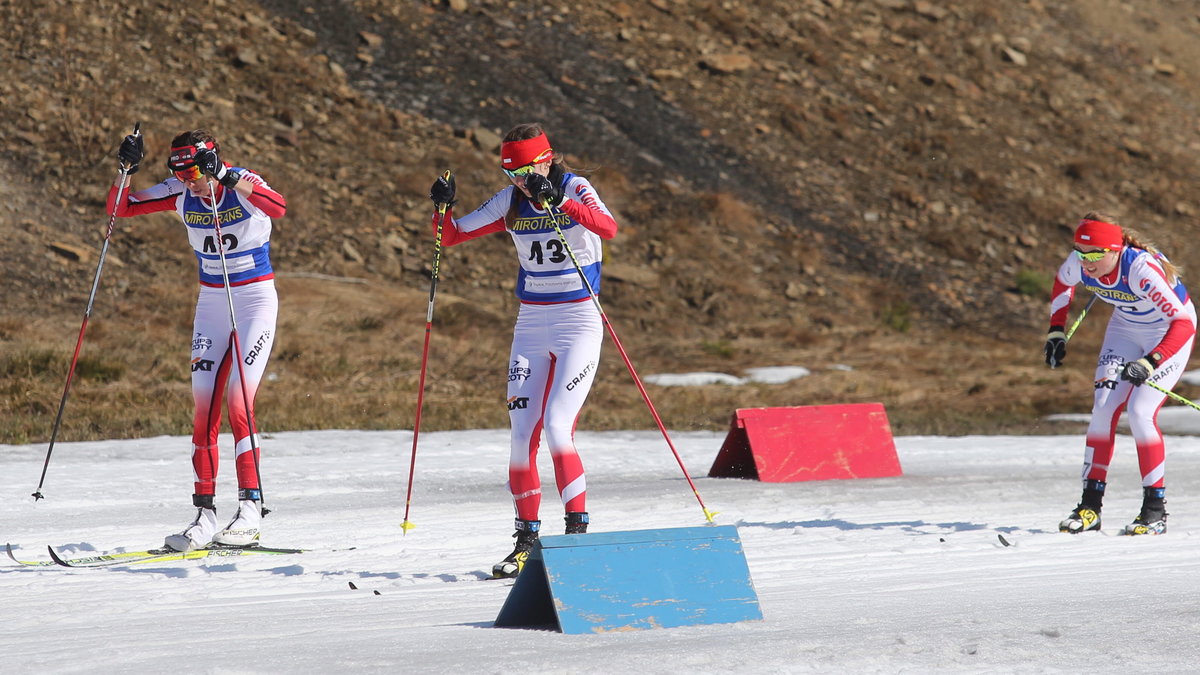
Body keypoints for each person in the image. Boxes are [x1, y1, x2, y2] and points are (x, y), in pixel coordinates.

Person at [428, 123, 618, 578]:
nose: (518, 181)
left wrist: (559, 199)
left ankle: (576, 537)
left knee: (557, 427)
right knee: (519, 438)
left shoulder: (575, 185)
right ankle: (526, 541)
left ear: (548, 159)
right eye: (510, 173)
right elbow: (450, 236)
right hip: (531, 325)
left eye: (526, 171)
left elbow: (607, 228)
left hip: (577, 321)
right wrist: (441, 207)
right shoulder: (511, 199)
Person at [111, 129, 287, 551]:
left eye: (192, 171)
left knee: (238, 403)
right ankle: (204, 516)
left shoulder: (240, 181)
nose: (187, 180)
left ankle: (250, 510)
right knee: (203, 408)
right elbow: (122, 209)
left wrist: (225, 176)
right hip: (211, 302)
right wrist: (124, 171)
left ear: (209, 162)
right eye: (179, 172)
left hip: (253, 301)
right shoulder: (180, 191)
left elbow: (278, 207)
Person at [1045, 213, 1195, 535]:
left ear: (1115, 250)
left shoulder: (1141, 270)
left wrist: (1152, 362)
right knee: (1102, 408)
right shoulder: (1081, 261)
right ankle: (1090, 507)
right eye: (1082, 254)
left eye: (1096, 255)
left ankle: (1154, 510)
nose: (1087, 263)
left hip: (1166, 334)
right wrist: (1056, 331)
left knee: (1140, 412)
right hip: (1125, 330)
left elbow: (1183, 324)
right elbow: (1062, 283)